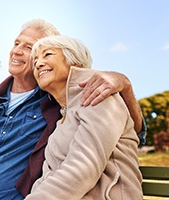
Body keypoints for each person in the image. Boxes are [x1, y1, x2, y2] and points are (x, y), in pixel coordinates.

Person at [0, 19, 145, 200]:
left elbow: (133, 133)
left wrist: (124, 85)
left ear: (71, 61)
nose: (18, 51)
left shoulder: (58, 105)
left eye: (32, 48)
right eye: (17, 43)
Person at [25, 35, 143, 199]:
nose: (38, 64)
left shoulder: (99, 96)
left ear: (75, 61)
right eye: (35, 61)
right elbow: (48, 176)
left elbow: (82, 169)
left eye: (48, 54)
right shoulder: (61, 119)